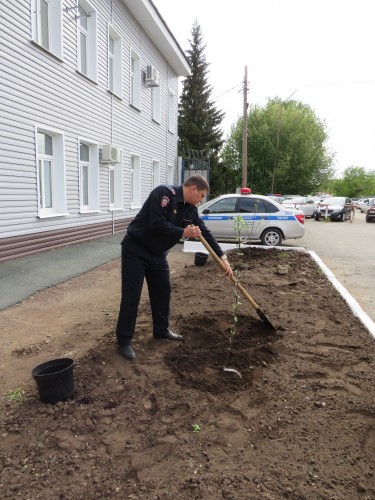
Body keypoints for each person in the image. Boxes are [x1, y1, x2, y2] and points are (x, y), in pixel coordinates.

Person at [116, 174, 233, 361]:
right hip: (136, 250)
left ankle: (161, 331)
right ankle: (124, 341)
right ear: (193, 189)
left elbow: (204, 232)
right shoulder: (164, 194)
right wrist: (183, 232)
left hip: (158, 254)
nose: (202, 200)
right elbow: (156, 224)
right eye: (202, 195)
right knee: (132, 296)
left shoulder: (190, 210)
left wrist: (222, 257)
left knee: (163, 291)